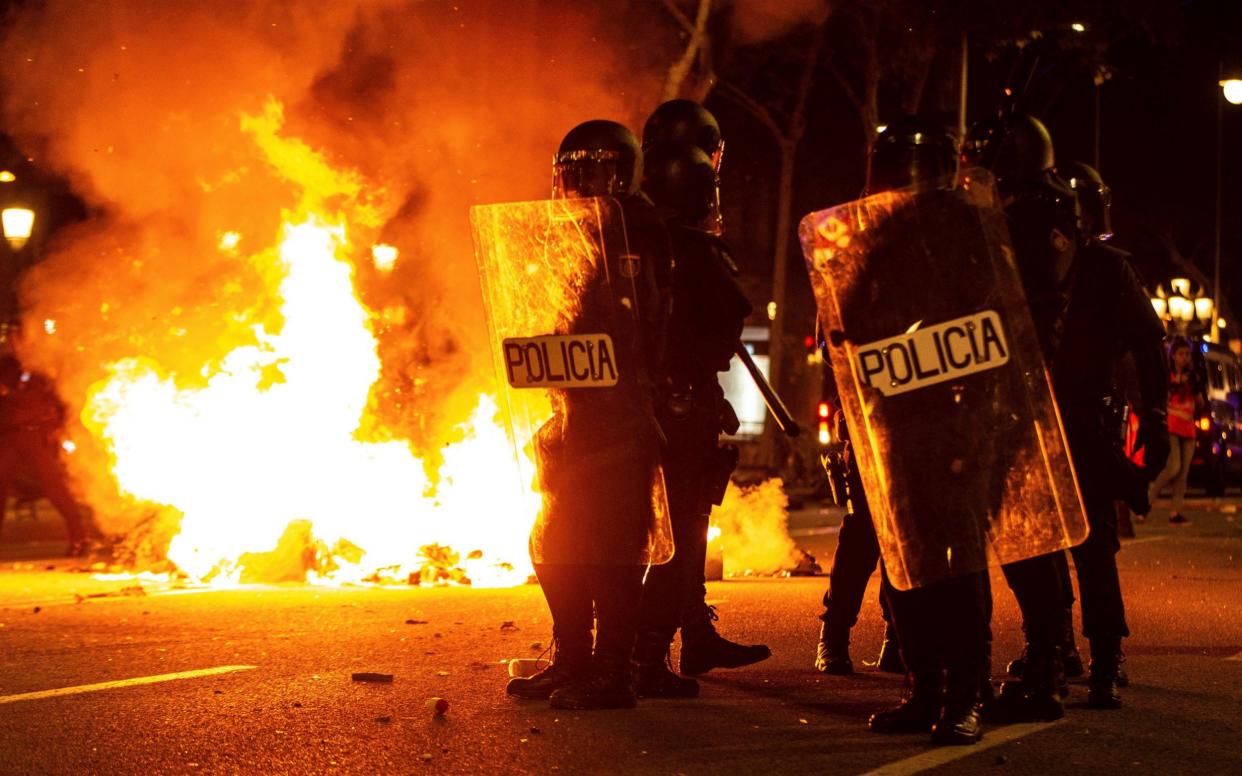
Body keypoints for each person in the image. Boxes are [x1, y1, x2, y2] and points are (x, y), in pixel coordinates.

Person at [966, 116, 1169, 712]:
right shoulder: (1007, 258)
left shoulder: (1102, 269)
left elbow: (1148, 343)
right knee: (1041, 542)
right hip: (1029, 418)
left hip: (1076, 420)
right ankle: (1058, 655)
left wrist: (1154, 416)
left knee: (1084, 546)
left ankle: (1095, 659)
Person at [504, 119, 670, 710]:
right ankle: (573, 659)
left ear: (621, 174)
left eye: (592, 171)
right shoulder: (567, 238)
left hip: (622, 416)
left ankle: (612, 672)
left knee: (611, 548)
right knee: (553, 542)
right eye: (570, 173)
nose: (578, 185)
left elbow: (640, 324)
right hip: (573, 417)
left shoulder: (637, 234)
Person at [814, 116, 963, 678]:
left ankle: (905, 639)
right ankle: (835, 631)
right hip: (875, 406)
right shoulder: (857, 239)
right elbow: (835, 328)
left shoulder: (955, 236)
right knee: (865, 530)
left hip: (936, 407)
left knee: (923, 533)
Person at [631, 101, 770, 697]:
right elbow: (720, 332)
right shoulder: (688, 247)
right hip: (678, 406)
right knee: (679, 532)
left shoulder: (623, 232)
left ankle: (685, 633)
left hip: (632, 409)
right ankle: (645, 651)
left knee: (656, 531)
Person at [0, 355, 93, 557]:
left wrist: (11, 396)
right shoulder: (6, 368)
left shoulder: (39, 371)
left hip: (33, 437)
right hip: (7, 438)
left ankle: (79, 538)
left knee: (54, 487)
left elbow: (46, 402)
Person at [1148, 338, 1202, 524]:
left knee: (1183, 473)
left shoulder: (1193, 376)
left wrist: (1193, 386)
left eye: (1187, 354)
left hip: (1188, 427)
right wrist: (1177, 384)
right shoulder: (1167, 375)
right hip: (1171, 425)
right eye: (1181, 354)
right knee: (1173, 467)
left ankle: (1175, 512)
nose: (1184, 358)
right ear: (1173, 355)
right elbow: (1165, 396)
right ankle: (1146, 501)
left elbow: (1201, 403)